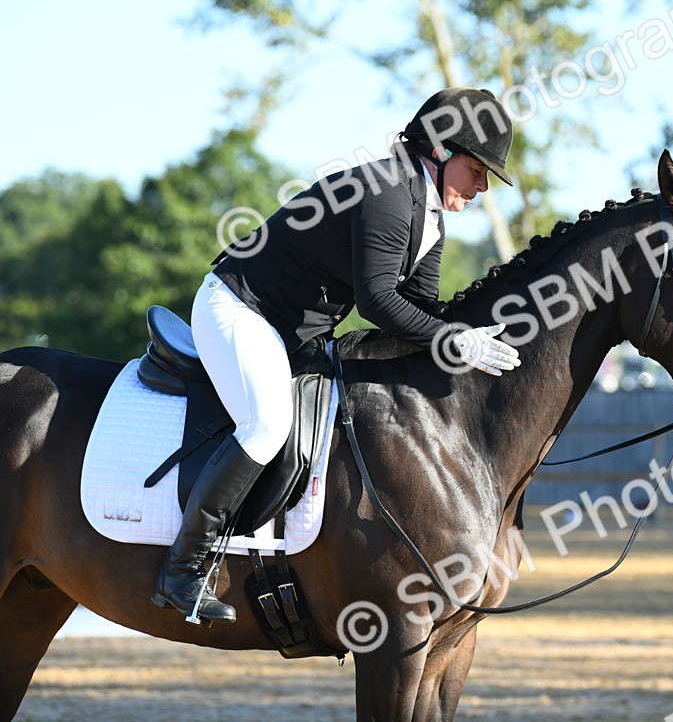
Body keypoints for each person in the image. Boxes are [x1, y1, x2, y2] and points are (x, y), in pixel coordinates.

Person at [152, 87, 523, 624]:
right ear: (440, 151)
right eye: (477, 169)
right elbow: (376, 301)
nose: (483, 185)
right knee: (267, 424)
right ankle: (182, 569)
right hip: (239, 309)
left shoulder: (430, 215)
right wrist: (450, 339)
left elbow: (418, 304)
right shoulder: (389, 192)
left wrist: (466, 333)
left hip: (293, 331)